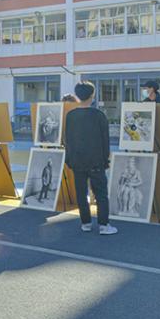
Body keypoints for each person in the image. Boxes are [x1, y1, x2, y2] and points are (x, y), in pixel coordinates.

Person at [64, 81, 116, 235]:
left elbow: (68, 140)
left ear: (77, 95)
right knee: (101, 194)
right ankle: (103, 225)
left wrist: (69, 159)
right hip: (96, 161)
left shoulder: (70, 115)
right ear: (92, 96)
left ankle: (85, 222)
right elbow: (105, 140)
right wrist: (105, 159)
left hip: (77, 161)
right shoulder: (99, 115)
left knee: (81, 193)